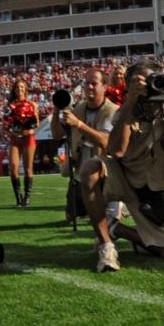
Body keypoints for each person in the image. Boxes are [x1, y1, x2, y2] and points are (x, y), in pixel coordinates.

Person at [79, 59, 164, 272]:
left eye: (149, 80)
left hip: (156, 192)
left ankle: (116, 228)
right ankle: (106, 245)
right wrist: (131, 102)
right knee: (90, 168)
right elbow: (116, 151)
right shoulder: (125, 112)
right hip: (126, 177)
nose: (146, 87)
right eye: (137, 82)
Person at [50, 67, 118, 223]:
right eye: (87, 83)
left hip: (106, 172)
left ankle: (118, 206)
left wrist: (79, 125)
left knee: (108, 217)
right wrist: (56, 110)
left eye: (94, 83)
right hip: (81, 171)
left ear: (105, 86)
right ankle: (91, 207)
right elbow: (56, 134)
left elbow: (104, 141)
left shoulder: (112, 110)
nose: (89, 87)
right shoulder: (79, 108)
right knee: (70, 216)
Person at [3, 77, 39, 207]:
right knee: (13, 167)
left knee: (29, 168)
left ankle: (27, 198)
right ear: (14, 90)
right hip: (15, 138)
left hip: (28, 138)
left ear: (26, 90)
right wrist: (11, 130)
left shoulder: (32, 105)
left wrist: (29, 131)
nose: (20, 90)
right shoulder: (10, 105)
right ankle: (18, 197)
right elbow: (5, 123)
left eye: (22, 87)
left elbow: (36, 124)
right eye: (17, 88)